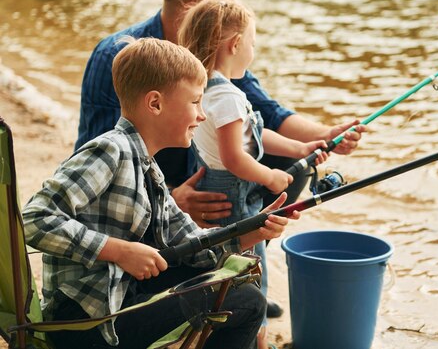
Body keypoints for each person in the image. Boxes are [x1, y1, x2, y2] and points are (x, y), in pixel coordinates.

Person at [22, 37, 299, 349]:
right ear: (155, 103)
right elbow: (34, 218)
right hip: (87, 324)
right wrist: (119, 251)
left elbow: (192, 244)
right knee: (247, 301)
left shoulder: (148, 167)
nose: (203, 115)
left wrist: (255, 229)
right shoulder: (110, 150)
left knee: (225, 277)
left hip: (119, 299)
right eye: (195, 102)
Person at [75, 0, 366, 228]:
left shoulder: (217, 56)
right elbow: (103, 154)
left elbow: (268, 113)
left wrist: (324, 136)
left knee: (290, 160)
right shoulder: (118, 55)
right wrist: (171, 197)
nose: (235, 14)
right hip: (149, 178)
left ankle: (251, 231)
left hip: (203, 165)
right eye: (225, 6)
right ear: (193, 8)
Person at [178, 0, 329, 348]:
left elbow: (253, 134)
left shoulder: (205, 90)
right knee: (249, 274)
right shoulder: (228, 97)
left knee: (223, 276)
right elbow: (235, 156)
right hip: (235, 197)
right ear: (235, 44)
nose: (253, 51)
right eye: (252, 43)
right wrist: (270, 177)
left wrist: (301, 149)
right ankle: (256, 342)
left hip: (217, 188)